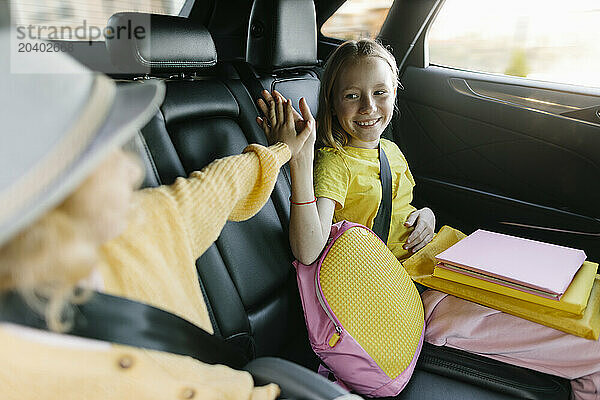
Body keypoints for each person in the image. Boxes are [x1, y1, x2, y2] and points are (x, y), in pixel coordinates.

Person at [256, 38, 600, 399]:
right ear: (332, 102)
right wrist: (299, 160)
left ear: (394, 94)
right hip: (414, 291)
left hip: (445, 258)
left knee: (581, 294)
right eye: (352, 96)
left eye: (380, 93)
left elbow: (400, 207)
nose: (369, 107)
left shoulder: (389, 150)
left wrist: (427, 215)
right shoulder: (333, 164)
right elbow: (308, 249)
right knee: (589, 347)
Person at [0, 29, 313, 400]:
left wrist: (281, 151)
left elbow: (220, 186)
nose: (134, 171)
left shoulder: (150, 219)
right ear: (47, 190)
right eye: (108, 151)